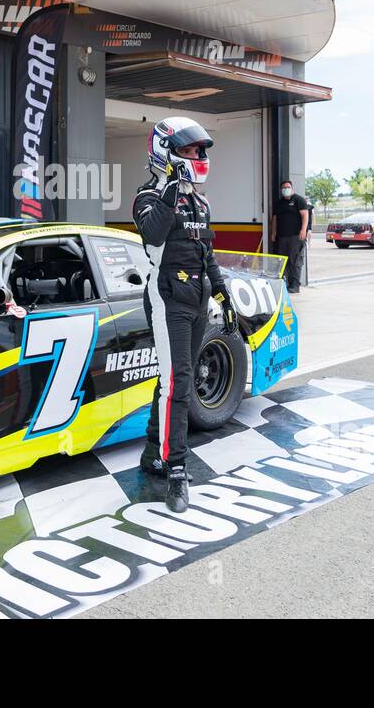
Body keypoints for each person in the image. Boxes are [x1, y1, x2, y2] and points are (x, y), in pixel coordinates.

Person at [133, 116, 236, 514]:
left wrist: (223, 293)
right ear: (168, 151)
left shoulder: (201, 201)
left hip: (199, 297)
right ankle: (176, 470)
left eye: (200, 150)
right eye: (191, 150)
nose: (199, 156)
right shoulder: (148, 195)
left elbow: (206, 251)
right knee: (178, 382)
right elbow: (155, 234)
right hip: (166, 297)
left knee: (175, 381)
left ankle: (151, 453)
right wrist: (173, 187)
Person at [270, 179, 309, 294]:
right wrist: (273, 233)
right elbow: (275, 219)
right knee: (282, 261)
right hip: (282, 237)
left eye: (288, 187)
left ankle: (295, 285)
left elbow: (305, 215)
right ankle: (284, 284)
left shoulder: (299, 200)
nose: (286, 189)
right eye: (284, 188)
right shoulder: (279, 203)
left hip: (295, 236)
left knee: (294, 261)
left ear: (292, 188)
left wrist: (303, 230)